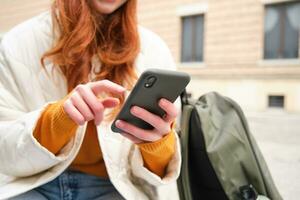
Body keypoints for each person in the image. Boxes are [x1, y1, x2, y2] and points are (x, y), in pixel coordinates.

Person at [0, 0, 182, 199]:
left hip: (114, 186)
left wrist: (158, 145)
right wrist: (57, 120)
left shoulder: (154, 49)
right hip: (32, 182)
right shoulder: (18, 42)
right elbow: (4, 151)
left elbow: (154, 176)